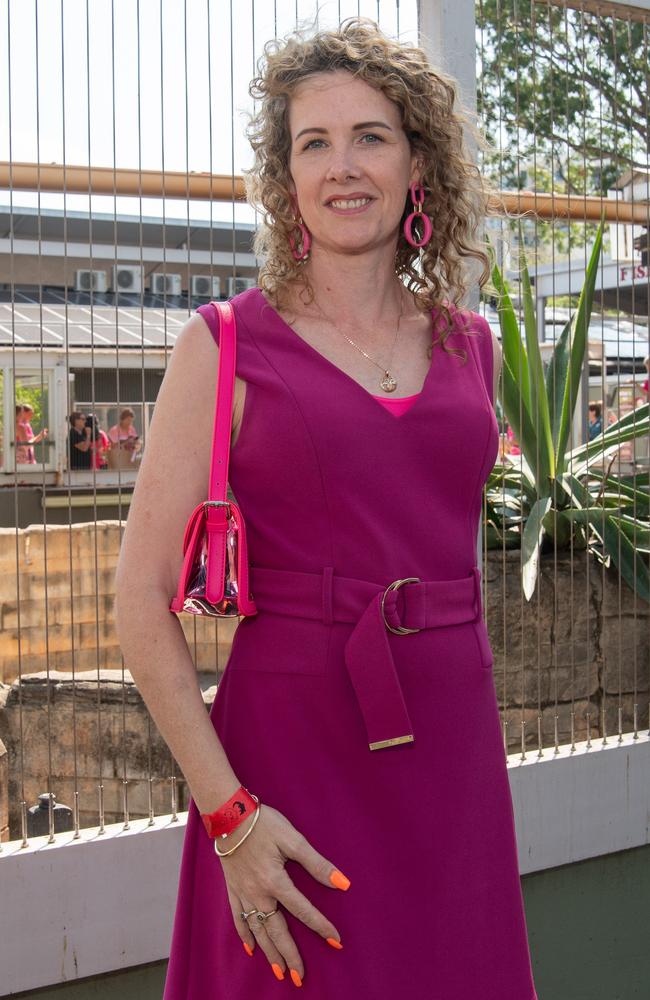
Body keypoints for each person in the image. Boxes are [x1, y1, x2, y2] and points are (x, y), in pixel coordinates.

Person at [115, 18, 537, 999]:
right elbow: (141, 602)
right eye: (314, 142)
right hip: (287, 762)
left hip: (451, 752)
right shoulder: (221, 347)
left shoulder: (473, 346)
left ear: (416, 162)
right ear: (284, 175)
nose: (342, 166)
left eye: (370, 136)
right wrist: (230, 816)